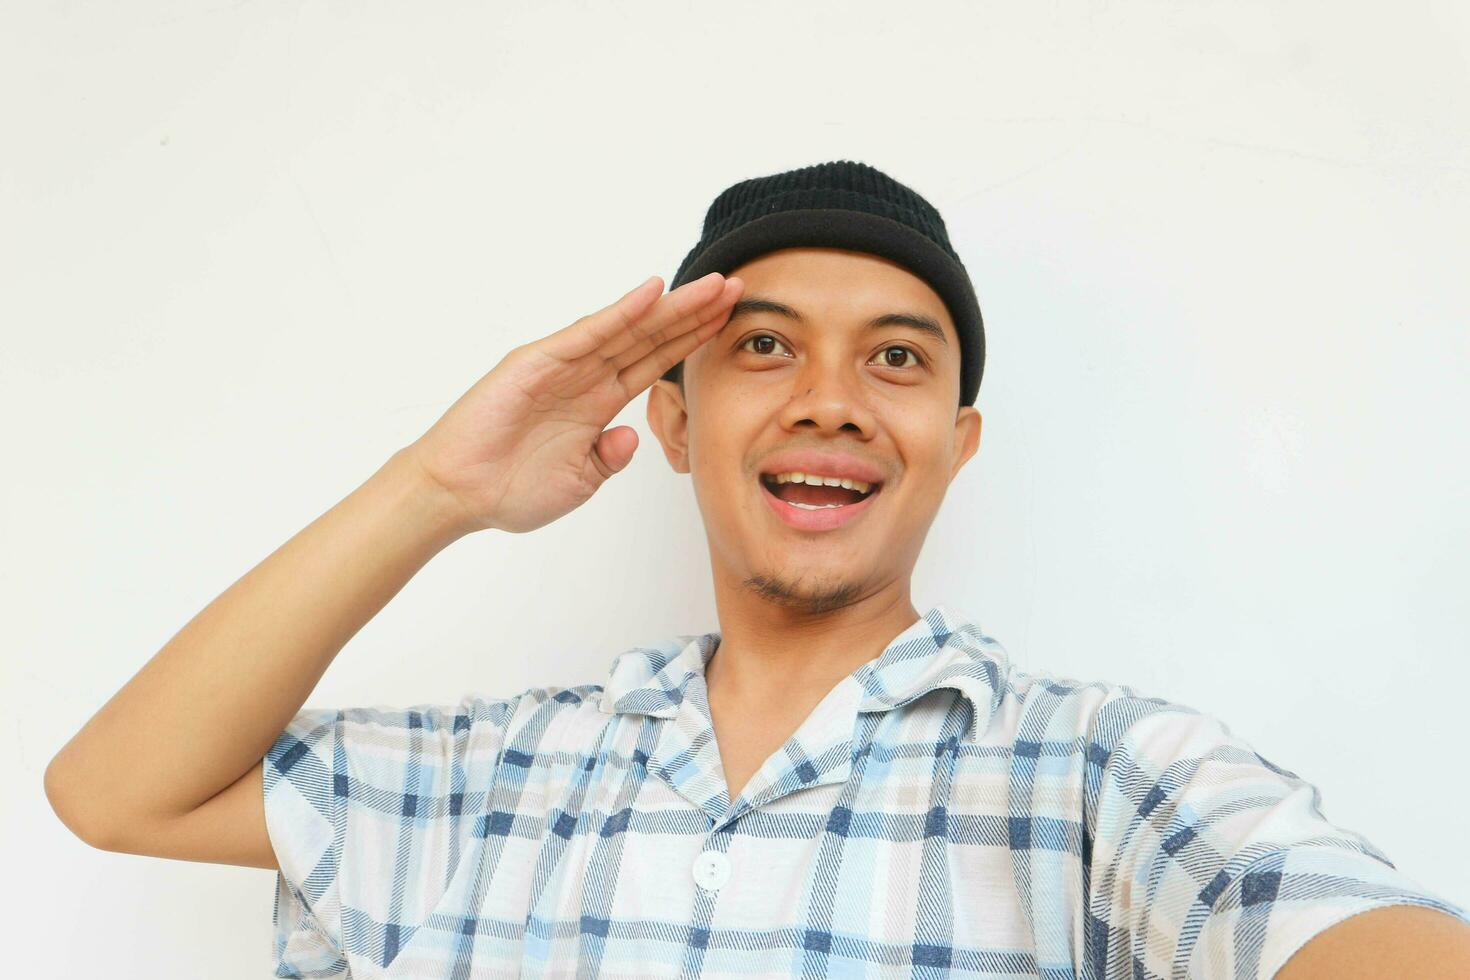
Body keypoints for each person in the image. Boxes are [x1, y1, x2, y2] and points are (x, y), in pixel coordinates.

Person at [44, 161, 1470, 978]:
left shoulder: (1098, 774)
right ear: (671, 419)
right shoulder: (498, 778)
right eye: (763, 347)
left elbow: (1344, 932)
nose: (831, 400)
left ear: (952, 444)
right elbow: (114, 794)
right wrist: (438, 490)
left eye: (896, 359)